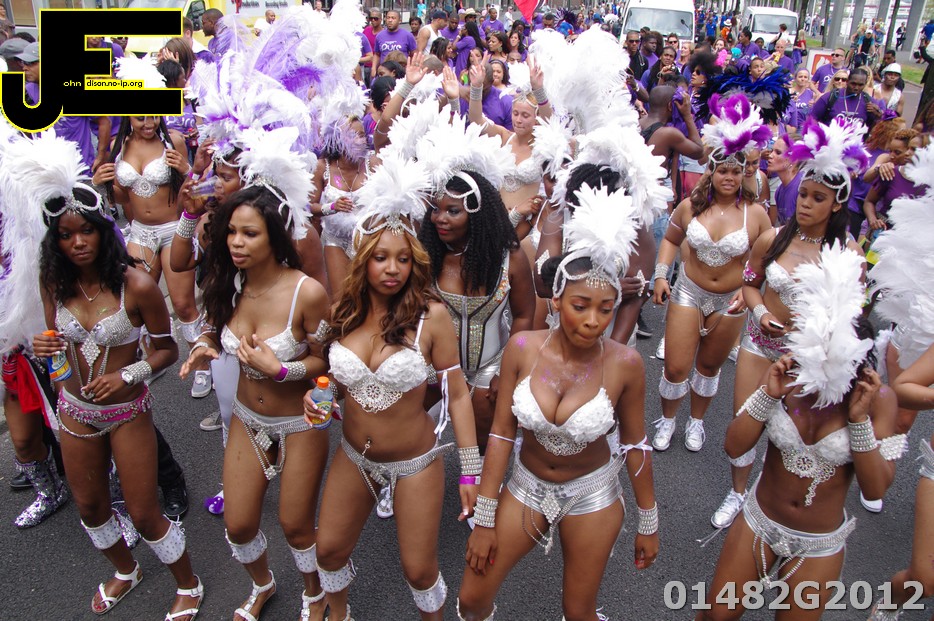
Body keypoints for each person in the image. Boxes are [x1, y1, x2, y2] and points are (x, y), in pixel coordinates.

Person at [456, 183, 659, 621]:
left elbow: (636, 443)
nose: (593, 321)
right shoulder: (523, 348)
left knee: (578, 610)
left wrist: (649, 519)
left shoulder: (626, 364)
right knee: (471, 598)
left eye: (606, 309)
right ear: (557, 300)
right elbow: (501, 433)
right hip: (526, 486)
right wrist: (485, 517)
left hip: (592, 494)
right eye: (580, 305)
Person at [26, 132, 202, 620]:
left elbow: (167, 350)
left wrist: (129, 374)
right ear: (55, 241)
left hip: (126, 411)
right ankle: (126, 571)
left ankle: (188, 583)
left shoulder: (136, 284)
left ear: (105, 231)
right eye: (66, 235)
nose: (78, 242)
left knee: (144, 513)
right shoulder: (53, 281)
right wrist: (47, 352)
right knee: (90, 508)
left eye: (86, 230)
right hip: (74, 411)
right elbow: (57, 346)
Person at [309, 153, 482, 621]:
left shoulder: (432, 317)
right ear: (362, 259)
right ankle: (338, 614)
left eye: (403, 258)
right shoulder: (342, 313)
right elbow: (331, 376)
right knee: (328, 550)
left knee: (419, 570)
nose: (393, 269)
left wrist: (470, 472)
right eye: (381, 258)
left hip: (415, 463)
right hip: (355, 456)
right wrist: (318, 396)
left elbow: (457, 394)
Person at [699, 239, 906, 619]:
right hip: (759, 522)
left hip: (818, 544)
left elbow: (875, 488)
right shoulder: (787, 375)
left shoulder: (877, 398)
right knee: (716, 615)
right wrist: (767, 395)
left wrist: (858, 421)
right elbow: (734, 446)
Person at [708, 115, 869, 530]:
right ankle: (737, 491)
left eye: (818, 198)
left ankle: (766, 497)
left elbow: (855, 315)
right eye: (804, 195)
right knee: (745, 418)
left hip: (809, 363)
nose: (805, 203)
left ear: (837, 205)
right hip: (759, 345)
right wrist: (761, 312)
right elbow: (750, 284)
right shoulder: (773, 238)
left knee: (788, 435)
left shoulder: (849, 254)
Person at [181, 178, 330, 620]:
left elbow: (327, 360)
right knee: (240, 524)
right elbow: (213, 326)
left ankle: (315, 593)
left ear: (274, 236)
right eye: (231, 231)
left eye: (249, 233)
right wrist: (203, 344)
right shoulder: (228, 281)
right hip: (247, 418)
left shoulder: (307, 292)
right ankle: (263, 584)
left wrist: (282, 370)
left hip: (300, 421)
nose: (236, 242)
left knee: (295, 525)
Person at [651, 94, 772, 453]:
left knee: (708, 367)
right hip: (689, 292)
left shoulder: (756, 214)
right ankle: (667, 420)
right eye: (723, 171)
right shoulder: (691, 206)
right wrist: (661, 276)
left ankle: (697, 422)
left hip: (729, 302)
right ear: (712, 172)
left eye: (736, 171)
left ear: (743, 173)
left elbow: (766, 259)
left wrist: (750, 290)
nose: (729, 177)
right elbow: (670, 239)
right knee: (676, 367)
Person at [310, 116, 373, 297]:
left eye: (362, 135)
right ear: (338, 138)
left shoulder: (373, 163)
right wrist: (331, 207)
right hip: (335, 241)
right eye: (354, 135)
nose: (360, 140)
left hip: (368, 241)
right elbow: (308, 206)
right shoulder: (322, 167)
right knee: (341, 299)